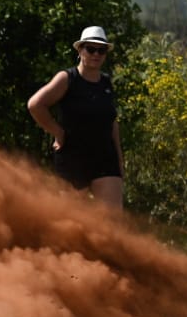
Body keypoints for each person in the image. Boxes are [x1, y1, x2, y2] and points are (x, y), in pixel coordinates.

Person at [28, 25, 124, 208]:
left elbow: (111, 121)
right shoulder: (67, 79)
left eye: (101, 50)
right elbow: (35, 105)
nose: (96, 54)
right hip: (73, 156)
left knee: (112, 220)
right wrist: (57, 132)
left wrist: (119, 159)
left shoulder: (106, 83)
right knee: (72, 218)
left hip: (105, 157)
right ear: (80, 50)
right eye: (91, 49)